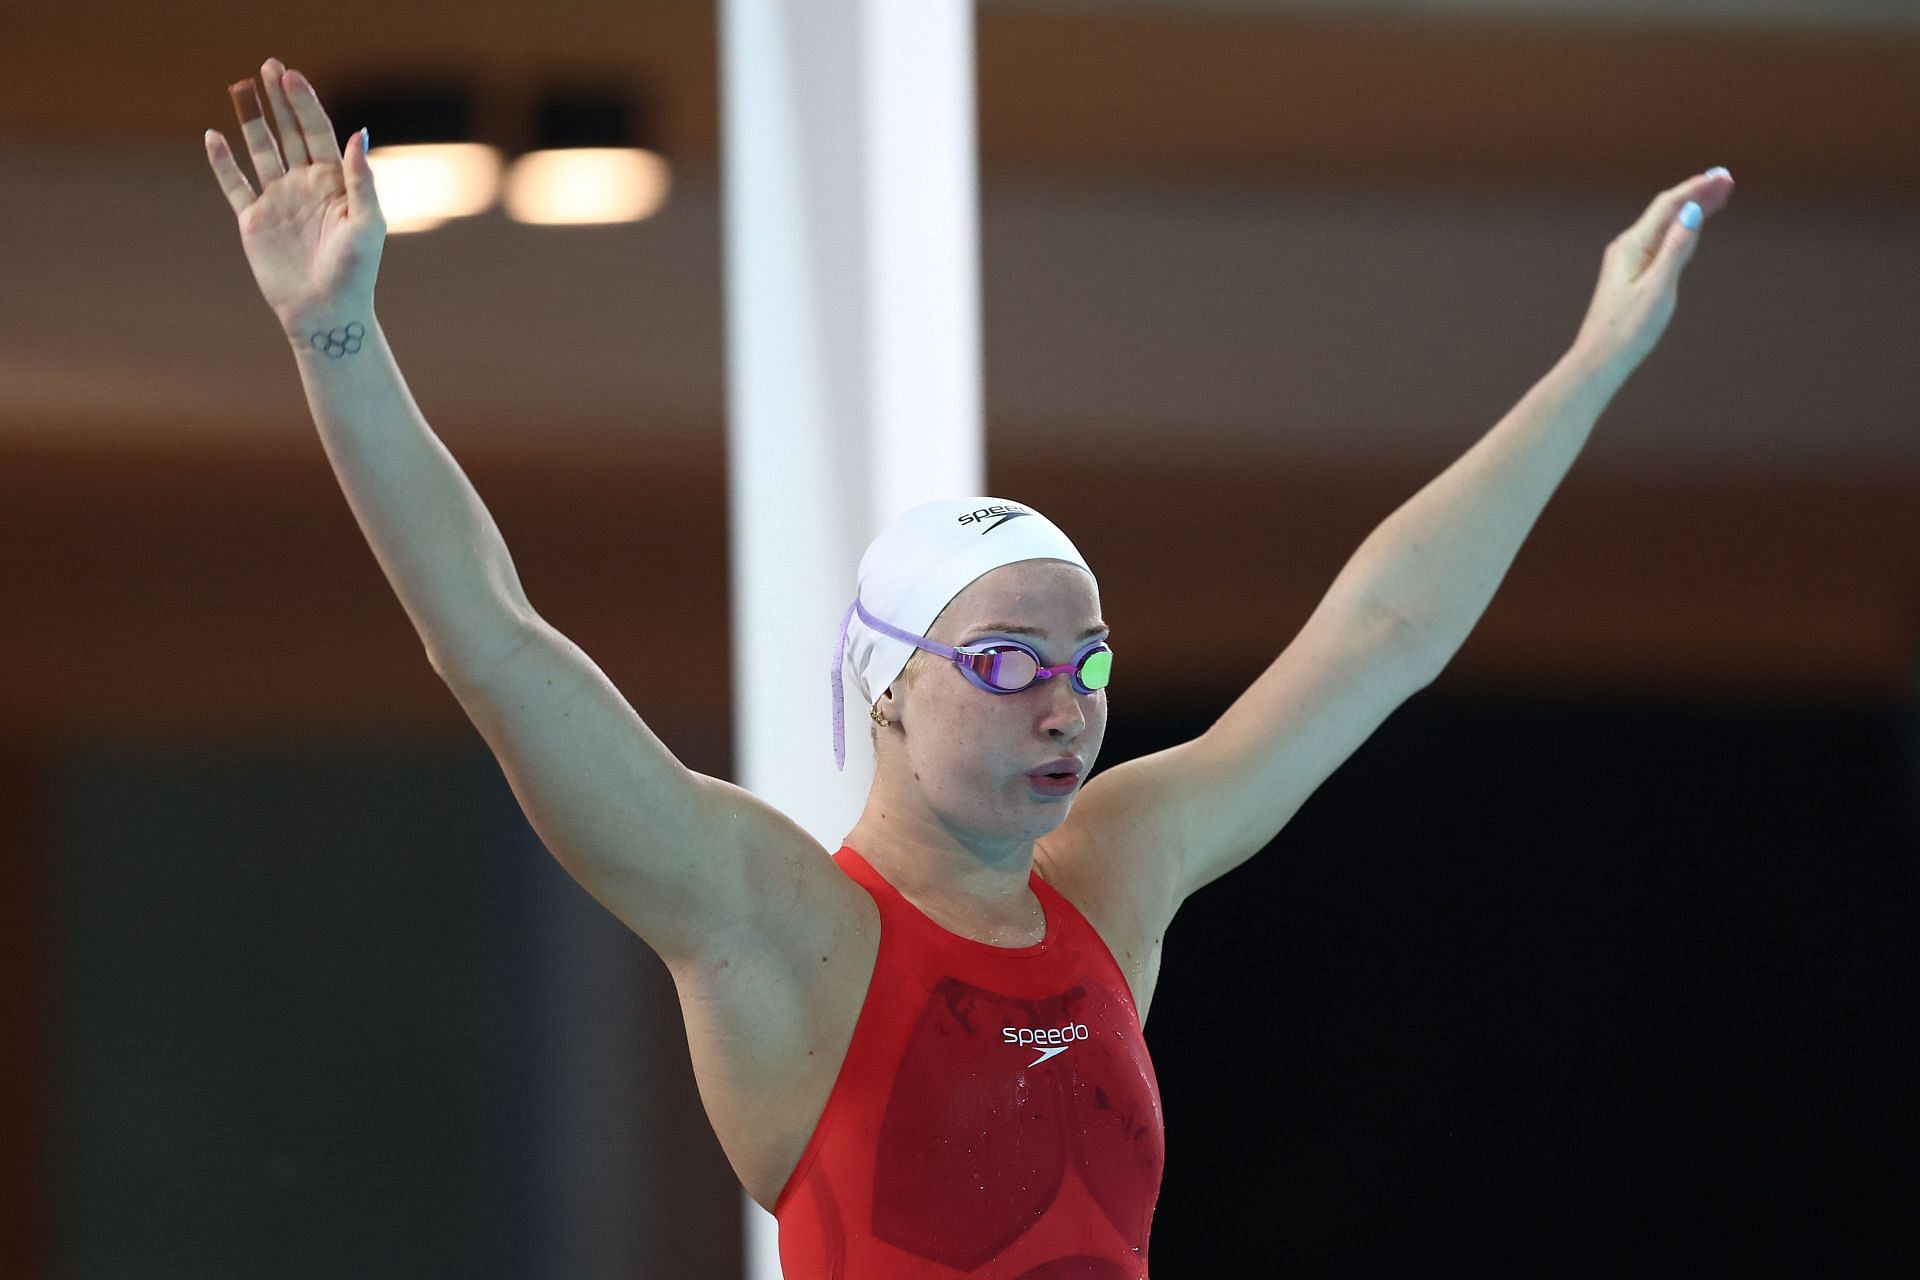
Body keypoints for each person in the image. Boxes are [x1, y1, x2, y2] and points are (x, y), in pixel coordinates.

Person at [205, 57, 1732, 1279]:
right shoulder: (769, 923)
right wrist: (337, 341)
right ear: (887, 685)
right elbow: (492, 639)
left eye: (1089, 663)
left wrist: (1593, 363)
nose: (1066, 703)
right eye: (1005, 663)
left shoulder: (1112, 874)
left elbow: (1379, 635)